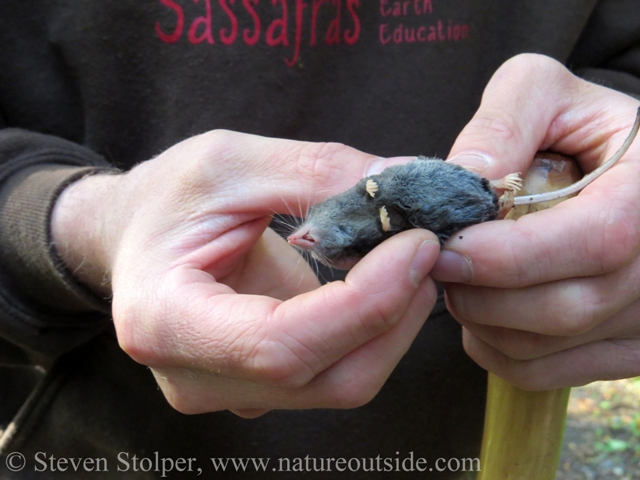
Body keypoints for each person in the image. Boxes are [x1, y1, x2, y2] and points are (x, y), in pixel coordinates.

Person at [0, 1, 639, 478]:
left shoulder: (360, 221)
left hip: (469, 435)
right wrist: (79, 221)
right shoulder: (351, 226)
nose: (301, 240)